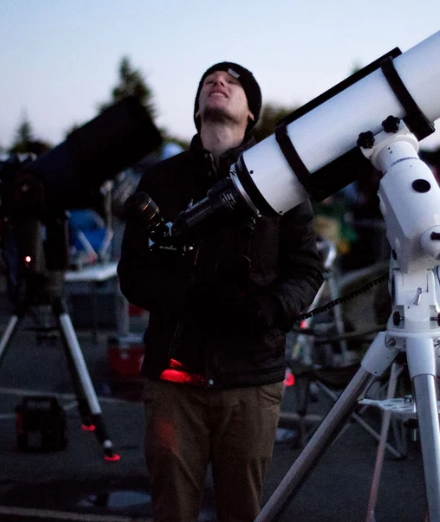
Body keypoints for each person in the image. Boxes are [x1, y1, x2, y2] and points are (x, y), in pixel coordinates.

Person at [117, 62, 323, 522]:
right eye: (210, 79)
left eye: (233, 80)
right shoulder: (161, 181)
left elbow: (306, 270)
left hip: (252, 380)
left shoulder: (281, 179)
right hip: (174, 379)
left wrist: (269, 308)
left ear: (252, 113)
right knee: (171, 510)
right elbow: (133, 273)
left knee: (242, 511)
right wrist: (191, 300)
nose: (220, 81)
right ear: (196, 110)